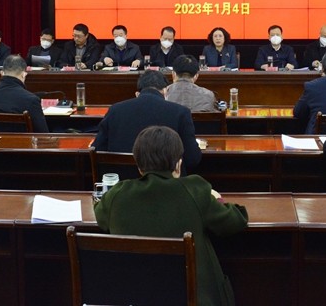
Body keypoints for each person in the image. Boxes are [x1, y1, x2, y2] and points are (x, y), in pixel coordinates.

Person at [94, 126, 248, 306]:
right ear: (178, 164)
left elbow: (100, 217)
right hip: (193, 299)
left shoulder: (118, 195)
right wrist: (217, 199)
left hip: (134, 298)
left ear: (138, 166)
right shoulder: (195, 190)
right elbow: (236, 221)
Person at [93, 70, 202, 171]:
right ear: (166, 90)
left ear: (138, 92)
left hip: (121, 180)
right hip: (166, 182)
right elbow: (192, 159)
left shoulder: (115, 110)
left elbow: (97, 149)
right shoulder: (180, 112)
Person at [0, 54, 49, 132]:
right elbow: (42, 133)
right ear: (24, 74)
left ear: (2, 73)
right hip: (22, 140)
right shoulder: (31, 99)